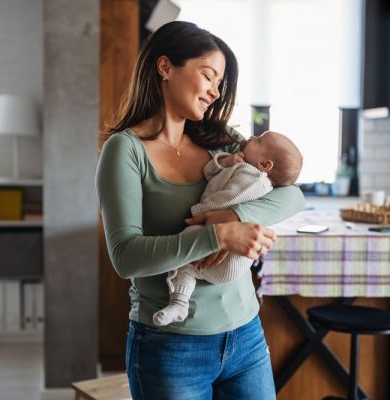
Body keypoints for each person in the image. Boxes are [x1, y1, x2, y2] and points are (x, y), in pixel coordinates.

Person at [96, 21, 305, 400]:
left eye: (220, 83)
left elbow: (293, 196)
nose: (215, 92)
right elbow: (125, 257)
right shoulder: (125, 151)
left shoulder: (220, 142)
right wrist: (217, 235)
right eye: (208, 76)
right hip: (171, 347)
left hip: (245, 336)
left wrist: (234, 217)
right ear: (165, 68)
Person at [153, 131, 303, 326]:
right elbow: (209, 173)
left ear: (265, 165)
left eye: (257, 141)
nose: (249, 138)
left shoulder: (254, 181)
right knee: (189, 268)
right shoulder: (243, 166)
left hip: (231, 261)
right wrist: (227, 162)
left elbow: (225, 203)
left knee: (187, 250)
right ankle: (179, 304)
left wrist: (202, 213)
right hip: (230, 268)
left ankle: (179, 302)